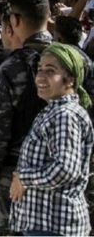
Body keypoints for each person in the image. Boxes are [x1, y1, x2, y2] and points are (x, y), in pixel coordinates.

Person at [0, 0, 52, 235]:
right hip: (62, 181)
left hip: (16, 180)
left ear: (15, 20)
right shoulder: (76, 60)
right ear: (48, 14)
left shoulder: (10, 69)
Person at [9, 43, 94, 236]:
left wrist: (23, 178)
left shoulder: (65, 115)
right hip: (45, 225)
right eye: (40, 69)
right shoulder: (53, 112)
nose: (40, 77)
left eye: (50, 71)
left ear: (70, 80)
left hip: (54, 227)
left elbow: (65, 169)